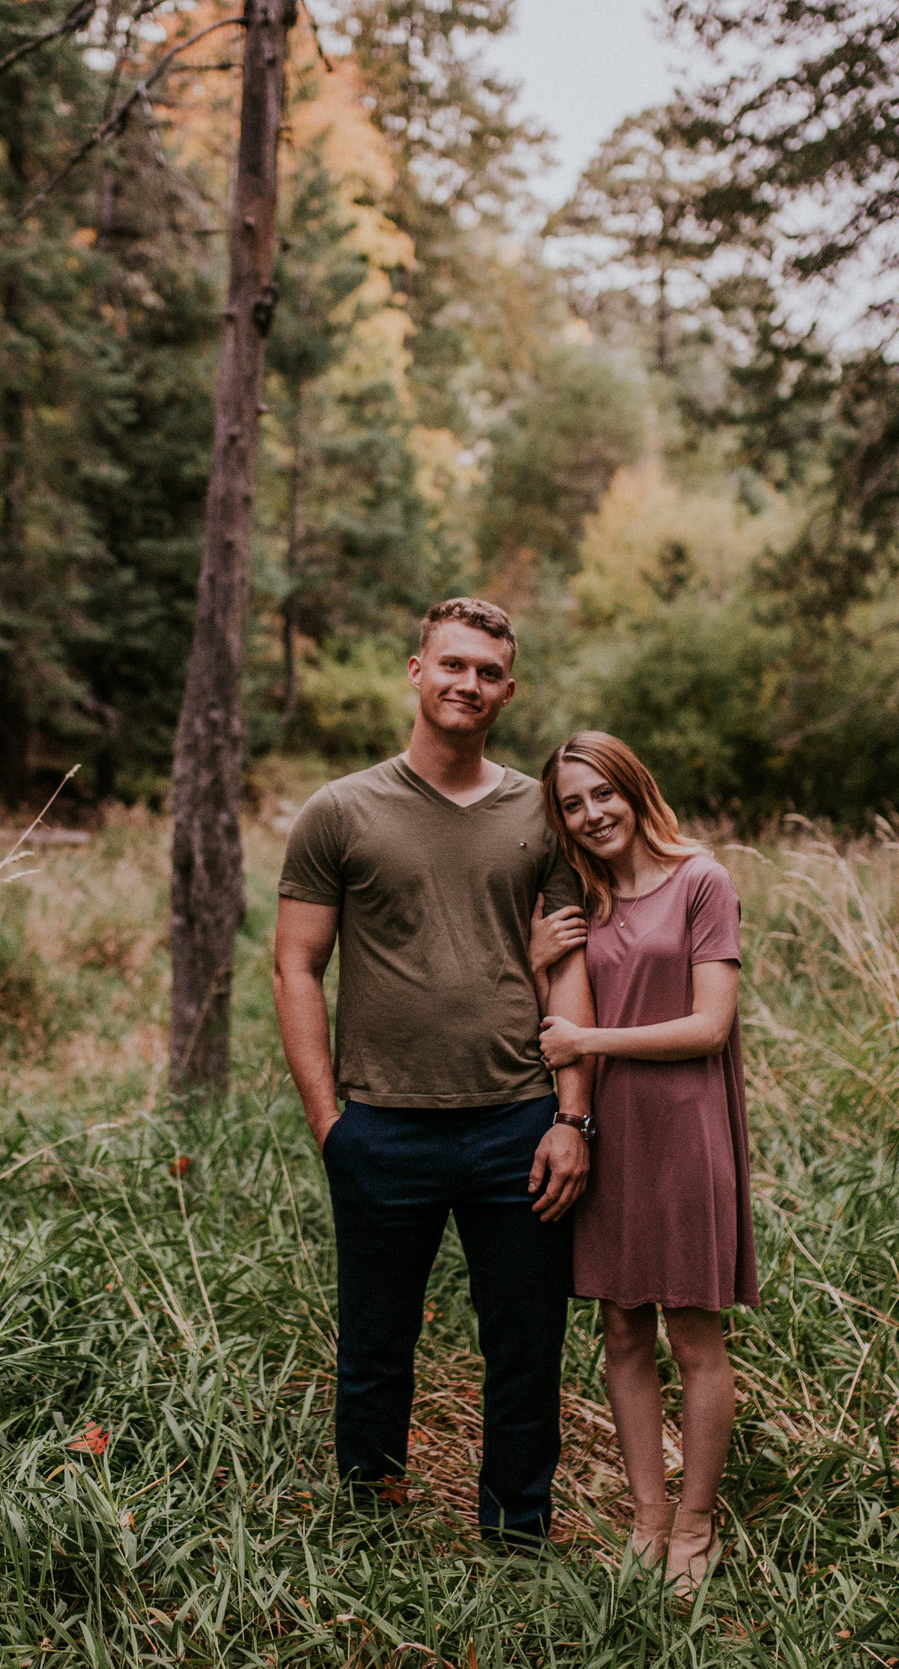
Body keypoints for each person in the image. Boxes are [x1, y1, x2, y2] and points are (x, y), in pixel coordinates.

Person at [273, 598, 596, 1546]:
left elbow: (570, 959)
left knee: (526, 1346)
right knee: (376, 1344)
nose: (469, 684)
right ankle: (370, 1519)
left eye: (489, 671)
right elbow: (297, 964)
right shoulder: (340, 811)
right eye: (452, 664)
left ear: (509, 688)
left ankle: (516, 1531)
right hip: (382, 1124)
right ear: (416, 670)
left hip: (519, 1121)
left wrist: (572, 1120)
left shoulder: (543, 810)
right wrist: (329, 1119)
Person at [527, 731, 753, 1593]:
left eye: (602, 795)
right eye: (572, 805)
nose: (591, 815)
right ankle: (649, 1515)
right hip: (606, 1130)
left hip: (686, 1127)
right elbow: (545, 1012)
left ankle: (696, 1523)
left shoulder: (702, 880)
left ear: (633, 787)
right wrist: (539, 959)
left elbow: (710, 1025)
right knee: (621, 1324)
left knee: (692, 1327)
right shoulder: (581, 899)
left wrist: (591, 1039)